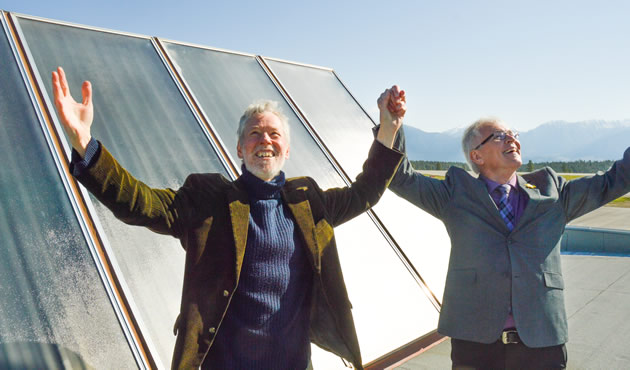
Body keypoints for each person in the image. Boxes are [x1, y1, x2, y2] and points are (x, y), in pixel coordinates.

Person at [51, 67, 405, 370]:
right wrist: (85, 144)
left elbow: (365, 192)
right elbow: (141, 203)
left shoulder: (308, 201)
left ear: (287, 148)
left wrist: (388, 129)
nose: (264, 140)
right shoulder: (209, 199)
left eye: (274, 134)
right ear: (239, 149)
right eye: (254, 133)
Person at [380, 86, 630, 369]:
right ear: (477, 156)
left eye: (513, 134)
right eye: (499, 136)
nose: (512, 138)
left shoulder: (553, 194)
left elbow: (615, 180)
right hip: (475, 344)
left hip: (541, 342)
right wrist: (391, 126)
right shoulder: (455, 195)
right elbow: (399, 177)